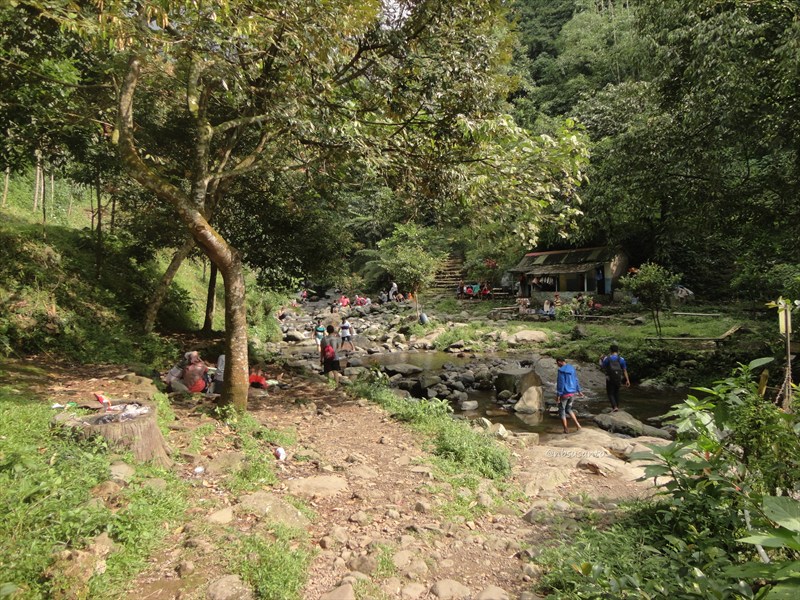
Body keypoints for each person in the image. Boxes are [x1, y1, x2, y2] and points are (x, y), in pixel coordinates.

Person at [556, 357, 584, 434]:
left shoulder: (561, 371)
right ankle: (578, 425)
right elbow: (576, 380)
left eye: (557, 363)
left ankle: (566, 429)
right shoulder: (572, 368)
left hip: (565, 393)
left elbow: (561, 383)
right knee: (569, 409)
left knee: (562, 411)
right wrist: (579, 391)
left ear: (560, 362)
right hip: (572, 393)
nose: (557, 365)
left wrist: (558, 395)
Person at [599, 344, 631, 412]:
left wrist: (600, 359)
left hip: (609, 378)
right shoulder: (621, 359)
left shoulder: (607, 358)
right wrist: (627, 380)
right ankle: (617, 406)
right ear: (618, 351)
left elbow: (602, 366)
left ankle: (615, 407)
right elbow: (624, 370)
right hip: (618, 378)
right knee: (616, 392)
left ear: (610, 350)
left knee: (610, 393)